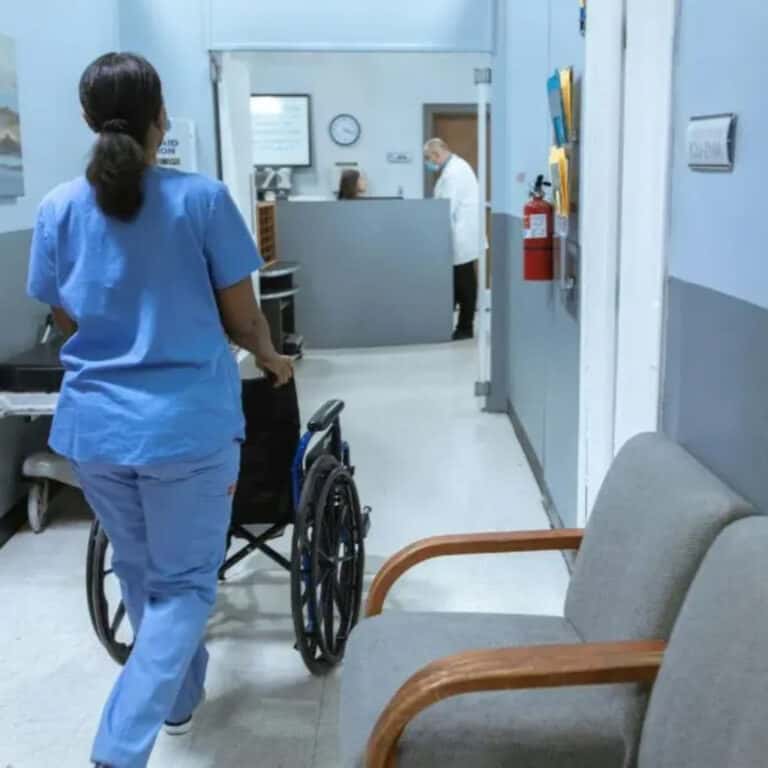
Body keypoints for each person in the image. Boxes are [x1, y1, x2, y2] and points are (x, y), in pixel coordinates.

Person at [26, 52, 293, 768]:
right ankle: (118, 749)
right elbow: (244, 320)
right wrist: (272, 359)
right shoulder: (200, 200)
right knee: (180, 588)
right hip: (185, 430)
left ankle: (179, 699)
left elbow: (65, 314)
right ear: (161, 119)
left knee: (143, 575)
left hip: (95, 430)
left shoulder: (56, 209)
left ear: (87, 120)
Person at [424, 138, 484, 341]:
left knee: (464, 282)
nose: (428, 162)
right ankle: (461, 325)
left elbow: (446, 208)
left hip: (461, 235)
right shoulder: (454, 169)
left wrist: (436, 232)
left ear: (436, 154)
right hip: (459, 233)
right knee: (459, 281)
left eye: (428, 158)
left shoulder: (454, 173)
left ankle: (465, 327)